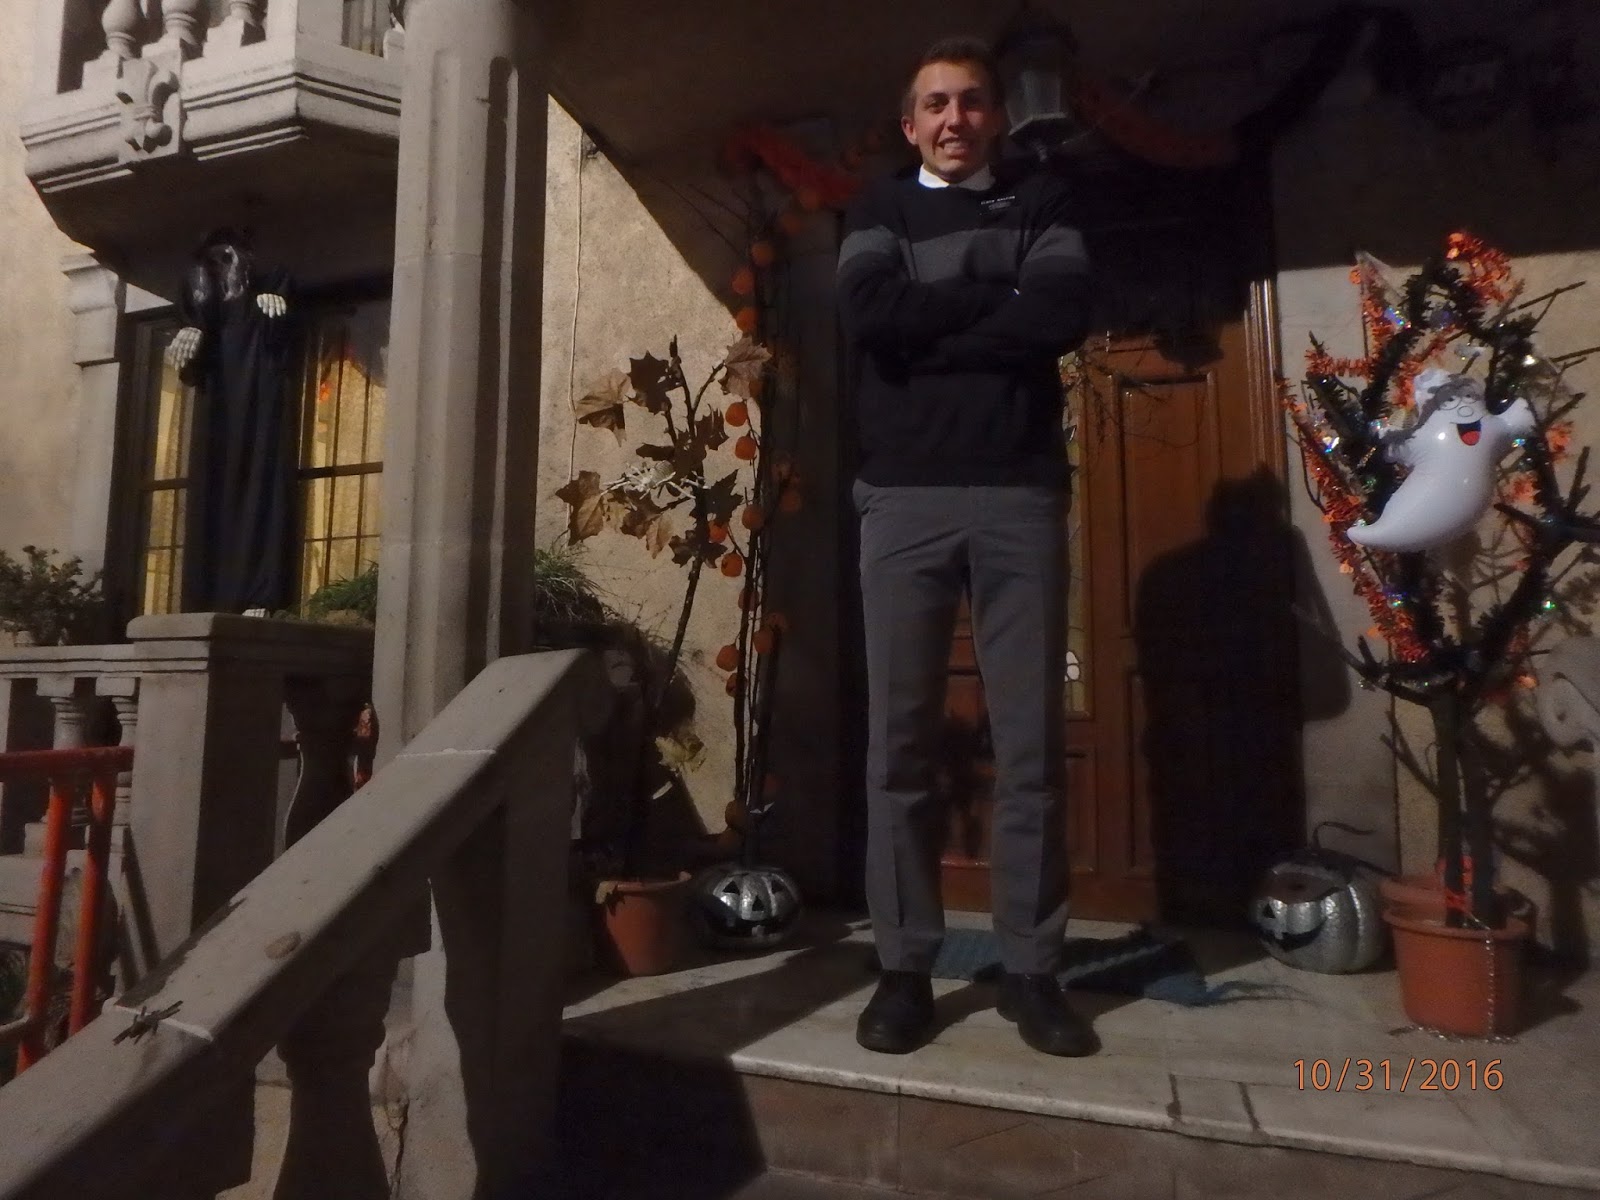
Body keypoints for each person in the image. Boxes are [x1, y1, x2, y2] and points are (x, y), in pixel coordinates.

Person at [837, 37, 1097, 1057]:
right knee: (897, 745)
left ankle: (1031, 970)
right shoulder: (877, 208)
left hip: (1019, 496)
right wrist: (999, 298)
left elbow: (1061, 314)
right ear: (911, 125)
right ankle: (904, 968)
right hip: (902, 499)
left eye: (973, 102)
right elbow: (870, 316)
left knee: (1029, 746)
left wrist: (931, 324)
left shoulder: (1045, 202)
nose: (955, 119)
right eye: (936, 104)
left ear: (997, 117)